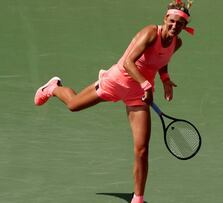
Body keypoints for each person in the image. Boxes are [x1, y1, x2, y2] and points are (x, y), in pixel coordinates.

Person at [33, 0, 194, 203]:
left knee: (142, 149)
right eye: (171, 21)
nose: (174, 26)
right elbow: (128, 62)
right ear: (165, 18)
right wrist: (145, 84)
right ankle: (53, 87)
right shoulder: (150, 33)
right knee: (73, 105)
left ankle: (138, 198)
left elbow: (161, 61)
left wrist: (165, 80)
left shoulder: (176, 43)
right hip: (116, 81)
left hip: (138, 95)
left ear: (184, 25)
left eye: (179, 24)